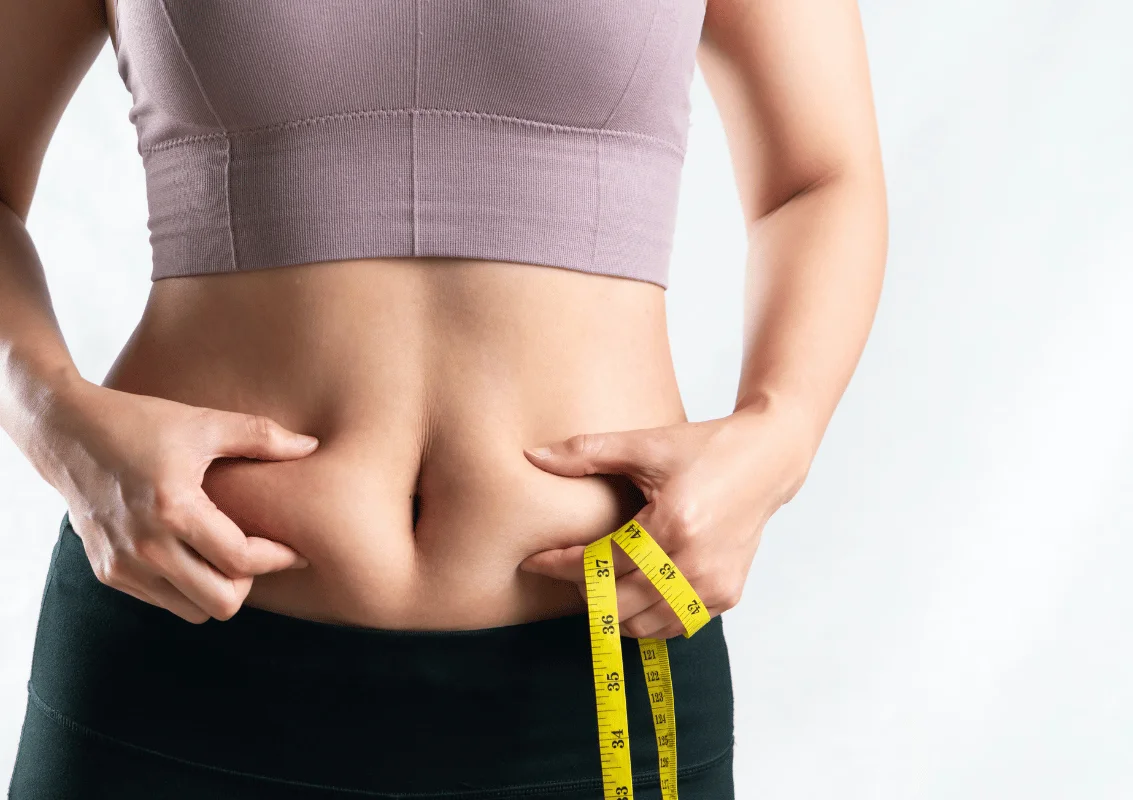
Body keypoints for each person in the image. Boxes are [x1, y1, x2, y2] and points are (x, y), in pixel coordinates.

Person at [2, 0, 887, 797]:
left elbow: (820, 173)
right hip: (175, 650)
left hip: (591, 669)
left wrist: (782, 433)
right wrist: (53, 421)